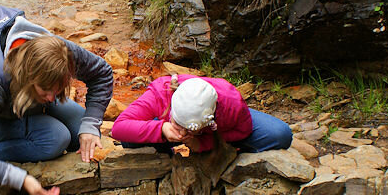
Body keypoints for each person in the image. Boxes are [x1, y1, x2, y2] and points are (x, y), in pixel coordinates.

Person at [0, 11, 113, 195]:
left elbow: (102, 73)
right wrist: (21, 179)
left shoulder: (57, 51)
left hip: (25, 95)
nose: (52, 98)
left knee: (80, 130)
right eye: (46, 91)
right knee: (55, 138)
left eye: (57, 89)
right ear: (28, 77)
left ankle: (38, 107)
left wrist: (91, 125)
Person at [110, 75, 292, 154]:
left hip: (215, 130)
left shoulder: (231, 102)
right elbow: (118, 128)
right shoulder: (161, 93)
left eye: (188, 130)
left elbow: (243, 131)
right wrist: (163, 128)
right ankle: (167, 155)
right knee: (130, 138)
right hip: (166, 125)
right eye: (178, 124)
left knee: (280, 135)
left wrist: (203, 143)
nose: (181, 133)